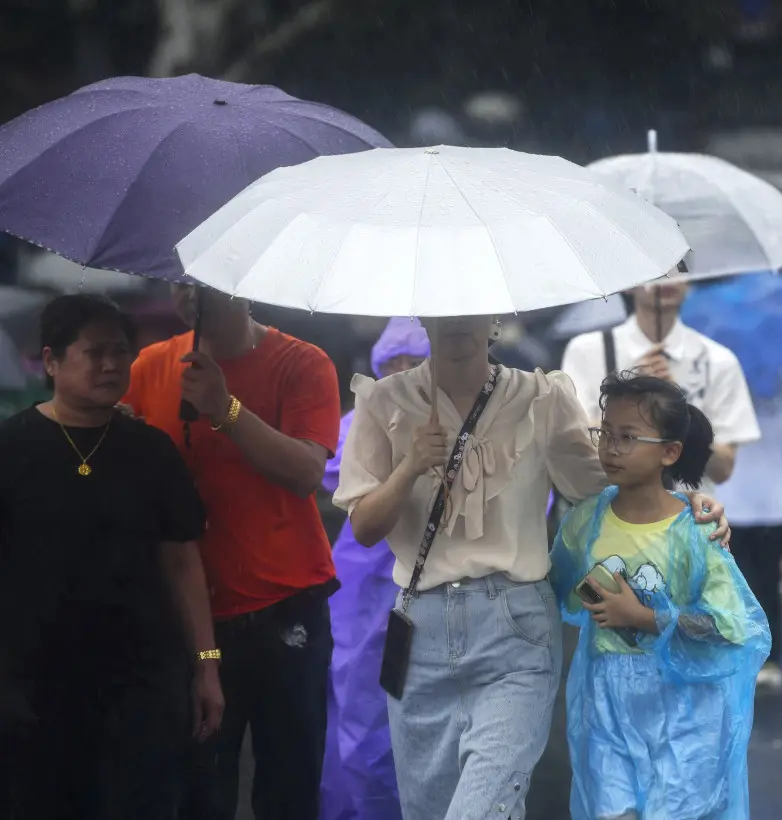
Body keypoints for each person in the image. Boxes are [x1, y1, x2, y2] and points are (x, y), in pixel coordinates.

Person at [333, 316, 731, 820]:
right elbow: (365, 527)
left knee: (481, 809)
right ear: (424, 315)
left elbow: (599, 486)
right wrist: (410, 465)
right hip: (421, 631)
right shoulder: (383, 401)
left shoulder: (539, 398)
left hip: (514, 629)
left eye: (472, 307)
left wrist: (687, 504)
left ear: (494, 318)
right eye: (444, 308)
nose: (457, 321)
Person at [123, 284, 341, 820]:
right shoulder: (151, 365)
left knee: (288, 788)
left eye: (208, 283)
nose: (191, 295)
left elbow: (305, 472)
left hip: (285, 609)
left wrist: (224, 407)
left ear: (248, 287)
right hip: (193, 616)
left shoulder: (303, 362)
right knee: (200, 789)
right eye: (181, 282)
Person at [0, 294, 220, 818]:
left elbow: (182, 562)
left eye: (121, 351)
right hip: (34, 684)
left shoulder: (151, 451)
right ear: (51, 361)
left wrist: (207, 666)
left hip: (139, 681)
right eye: (93, 352)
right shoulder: (12, 448)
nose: (110, 365)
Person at [549, 373, 769, 820]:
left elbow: (733, 626)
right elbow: (555, 592)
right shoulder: (585, 523)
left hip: (685, 709)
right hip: (605, 702)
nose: (610, 447)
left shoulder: (693, 532)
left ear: (670, 451)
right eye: (605, 433)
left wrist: (645, 617)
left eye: (627, 437)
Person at [320, 318, 429, 820]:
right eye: (392, 364)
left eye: (415, 363)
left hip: (436, 583)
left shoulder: (464, 422)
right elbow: (331, 471)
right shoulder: (357, 423)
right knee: (358, 705)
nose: (403, 373)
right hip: (363, 590)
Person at [561, 279, 761, 492]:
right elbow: (574, 448)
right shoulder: (587, 351)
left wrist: (679, 410)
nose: (667, 277)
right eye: (656, 271)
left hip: (688, 517)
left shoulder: (718, 360)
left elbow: (722, 469)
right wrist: (631, 394)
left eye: (678, 265)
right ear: (628, 281)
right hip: (605, 513)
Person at [723, 383, 782, 693]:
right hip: (774, 502)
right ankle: (769, 660)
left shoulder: (721, 393)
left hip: (731, 502)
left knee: (733, 584)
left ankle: (739, 655)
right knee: (768, 583)